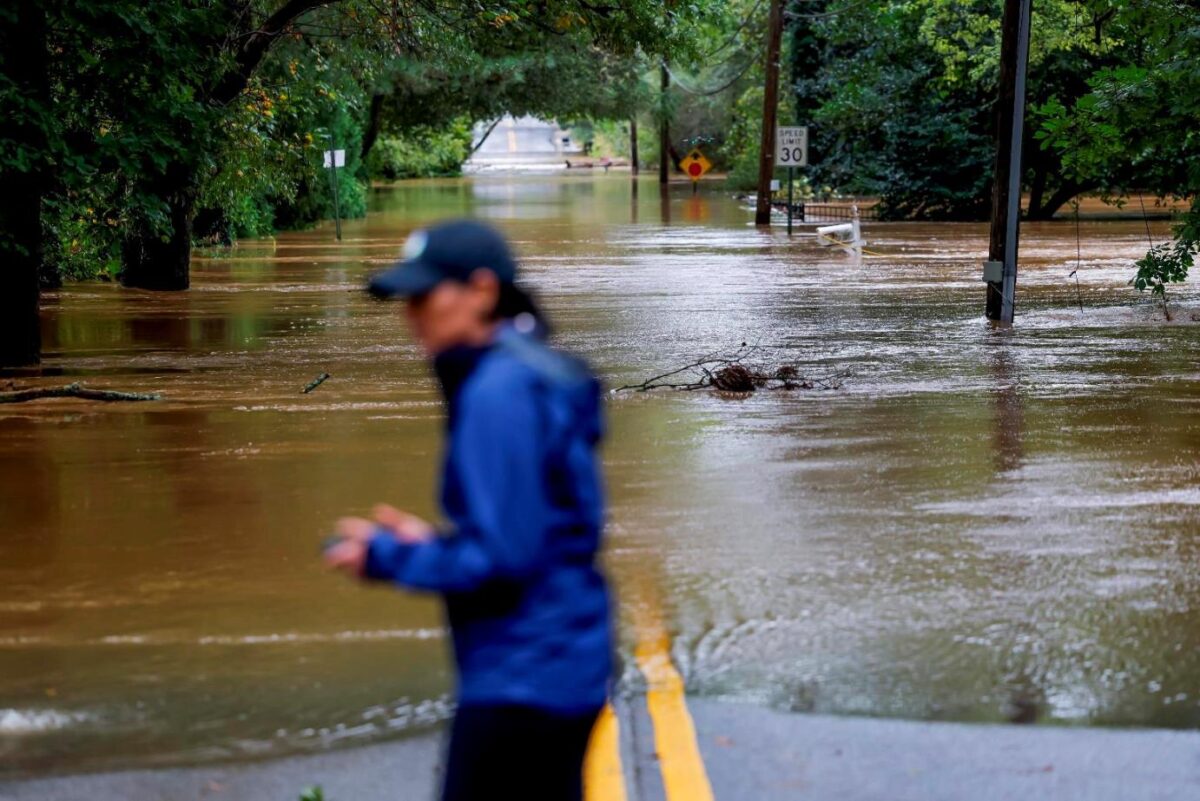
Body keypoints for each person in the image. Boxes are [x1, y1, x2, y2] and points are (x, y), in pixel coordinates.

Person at [324, 219, 613, 801]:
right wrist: (435, 544)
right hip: (563, 658)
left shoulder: (496, 392)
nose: (412, 316)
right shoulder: (529, 369)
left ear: (482, 291)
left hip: (523, 673)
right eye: (407, 300)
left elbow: (502, 558)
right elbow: (533, 527)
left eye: (427, 296)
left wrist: (392, 557)